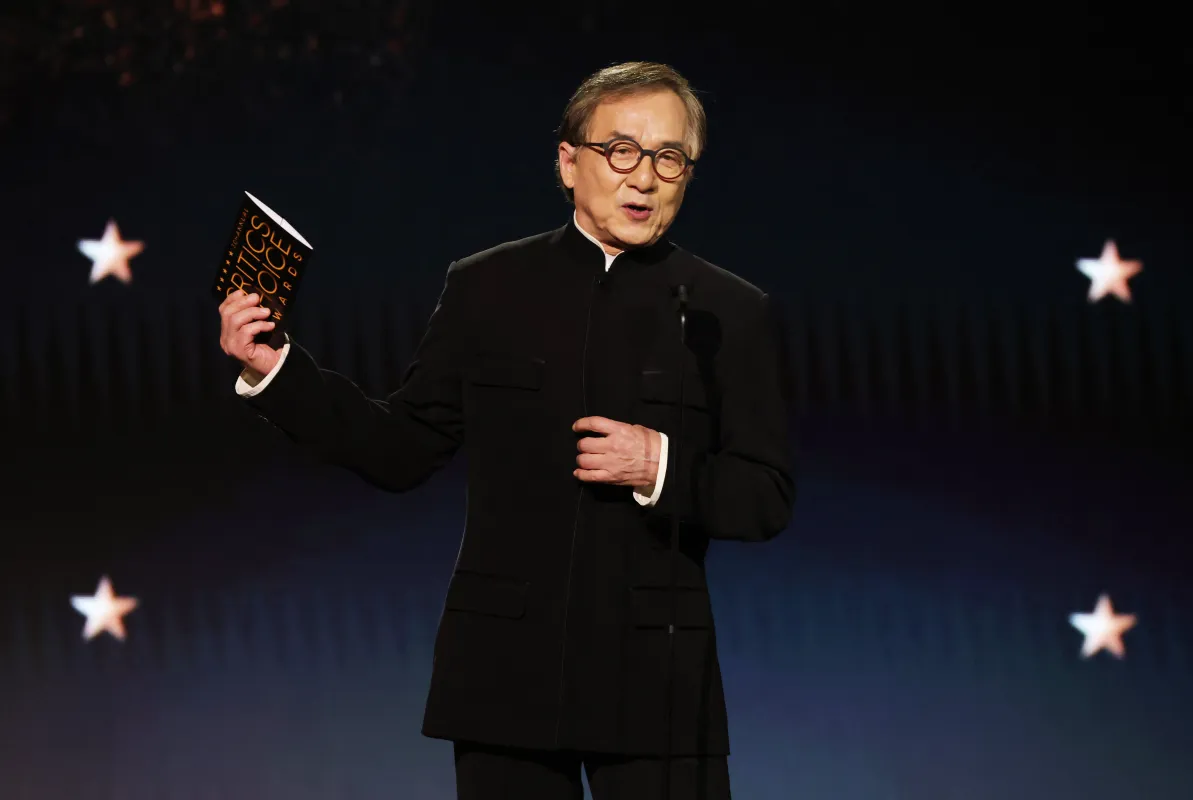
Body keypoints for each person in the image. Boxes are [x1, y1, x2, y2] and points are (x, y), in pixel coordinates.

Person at [218, 61, 794, 800]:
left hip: (657, 682)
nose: (645, 179)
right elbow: (401, 448)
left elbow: (766, 495)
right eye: (622, 151)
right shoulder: (485, 287)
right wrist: (278, 373)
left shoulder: (732, 312)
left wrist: (659, 465)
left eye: (669, 158)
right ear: (569, 162)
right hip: (505, 671)